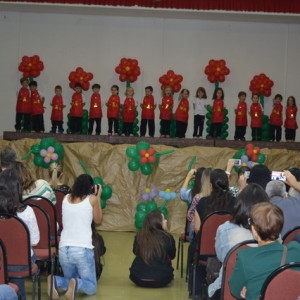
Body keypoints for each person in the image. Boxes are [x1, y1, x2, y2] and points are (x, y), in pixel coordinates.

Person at [208, 183, 269, 299]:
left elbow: (222, 258)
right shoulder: (274, 234)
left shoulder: (225, 229)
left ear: (239, 204)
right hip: (264, 289)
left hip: (227, 288)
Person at [229, 202, 300, 300]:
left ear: (254, 230)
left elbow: (235, 290)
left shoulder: (245, 257)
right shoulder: (296, 249)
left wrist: (244, 293)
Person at [49, 174, 102, 300]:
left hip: (63, 249)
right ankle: (77, 284)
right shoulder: (92, 199)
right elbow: (98, 220)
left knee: (69, 280)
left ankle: (55, 280)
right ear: (90, 187)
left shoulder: (66, 198)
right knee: (91, 287)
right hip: (81, 249)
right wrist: (98, 196)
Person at [0, 170, 40, 300]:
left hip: (1, 262)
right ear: (19, 187)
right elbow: (35, 241)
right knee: (24, 256)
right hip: (21, 263)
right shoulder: (27, 211)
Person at [129, 210, 176, 288]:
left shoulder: (139, 235)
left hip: (138, 278)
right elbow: (172, 255)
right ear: (158, 223)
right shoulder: (168, 237)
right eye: (164, 219)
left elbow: (135, 251)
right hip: (162, 280)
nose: (166, 221)